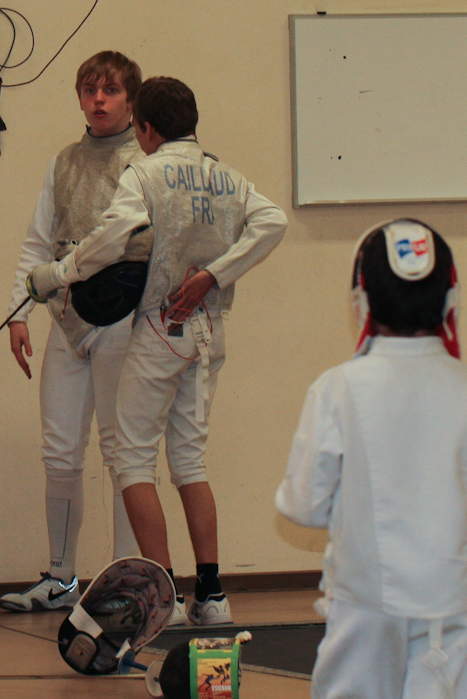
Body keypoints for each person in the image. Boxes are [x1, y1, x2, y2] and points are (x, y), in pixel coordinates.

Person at [26, 77, 287, 625]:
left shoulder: (143, 173)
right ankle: (211, 596)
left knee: (131, 459)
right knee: (189, 460)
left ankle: (160, 595)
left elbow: (110, 238)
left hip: (159, 327)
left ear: (145, 127)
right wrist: (214, 275)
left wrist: (57, 274)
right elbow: (272, 221)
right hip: (208, 331)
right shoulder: (227, 174)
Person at [278, 220, 467, 699]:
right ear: (451, 298)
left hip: (364, 597)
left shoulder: (337, 388)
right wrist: (456, 568)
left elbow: (304, 506)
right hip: (450, 598)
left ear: (361, 299)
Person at [0, 51, 144, 613]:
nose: (98, 99)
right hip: (66, 321)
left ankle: (126, 583)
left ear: (131, 99)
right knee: (59, 452)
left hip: (123, 323)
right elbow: (38, 241)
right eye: (89, 89)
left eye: (110, 90)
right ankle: (61, 579)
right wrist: (18, 313)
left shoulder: (144, 163)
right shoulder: (64, 161)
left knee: (124, 456)